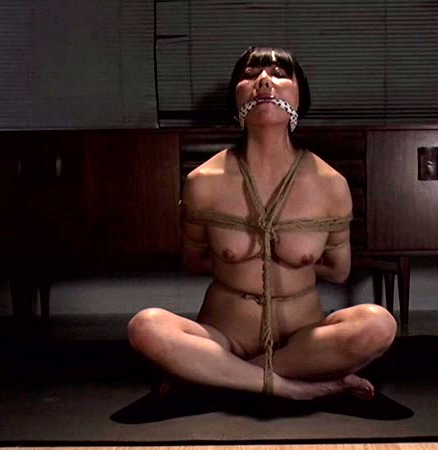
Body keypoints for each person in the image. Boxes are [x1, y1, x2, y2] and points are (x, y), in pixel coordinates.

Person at [127, 46, 397, 401]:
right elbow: (193, 261)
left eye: (280, 74)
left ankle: (215, 375)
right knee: (145, 326)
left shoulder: (330, 184)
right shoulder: (202, 182)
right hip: (223, 336)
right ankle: (294, 388)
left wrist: (290, 267)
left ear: (300, 98)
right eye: (250, 74)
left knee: (379, 324)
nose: (265, 81)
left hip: (302, 340)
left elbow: (338, 270)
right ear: (235, 98)